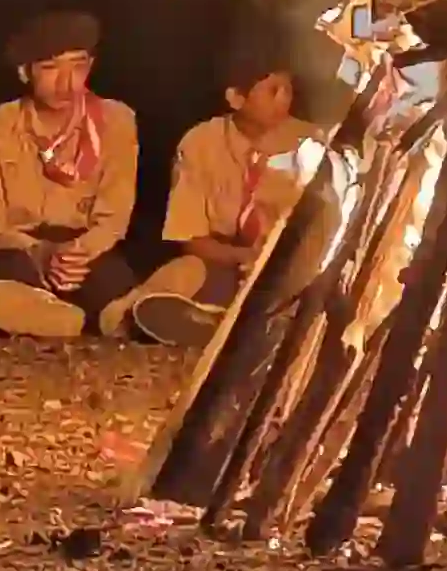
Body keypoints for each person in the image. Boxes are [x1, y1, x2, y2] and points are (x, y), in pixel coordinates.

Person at [126, 44, 322, 350]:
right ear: (236, 98)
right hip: (226, 264)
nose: (285, 99)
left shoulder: (312, 144)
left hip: (282, 272)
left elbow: (322, 235)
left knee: (290, 294)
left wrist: (270, 263)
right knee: (185, 270)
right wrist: (243, 258)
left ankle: (230, 325)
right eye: (273, 90)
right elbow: (190, 237)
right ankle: (135, 313)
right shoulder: (200, 143)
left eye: (288, 89)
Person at [0, 9, 143, 339]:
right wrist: (39, 251)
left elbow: (114, 216)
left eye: (78, 66)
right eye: (50, 68)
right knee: (2, 278)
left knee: (111, 280)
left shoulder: (116, 121)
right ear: (24, 72)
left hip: (83, 249)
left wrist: (77, 253)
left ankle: (116, 313)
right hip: (22, 248)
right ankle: (57, 315)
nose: (67, 83)